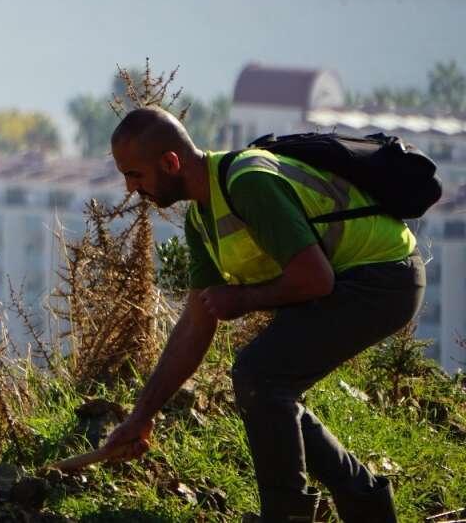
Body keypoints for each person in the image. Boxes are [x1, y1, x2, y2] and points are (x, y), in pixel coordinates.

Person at [103, 107, 424, 523]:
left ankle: (289, 514)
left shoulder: (248, 184)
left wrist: (240, 299)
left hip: (386, 278)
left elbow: (315, 280)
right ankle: (367, 507)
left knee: (260, 376)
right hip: (353, 282)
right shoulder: (202, 216)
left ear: (170, 163)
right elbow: (194, 327)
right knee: (266, 386)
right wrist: (141, 416)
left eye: (135, 175)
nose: (130, 189)